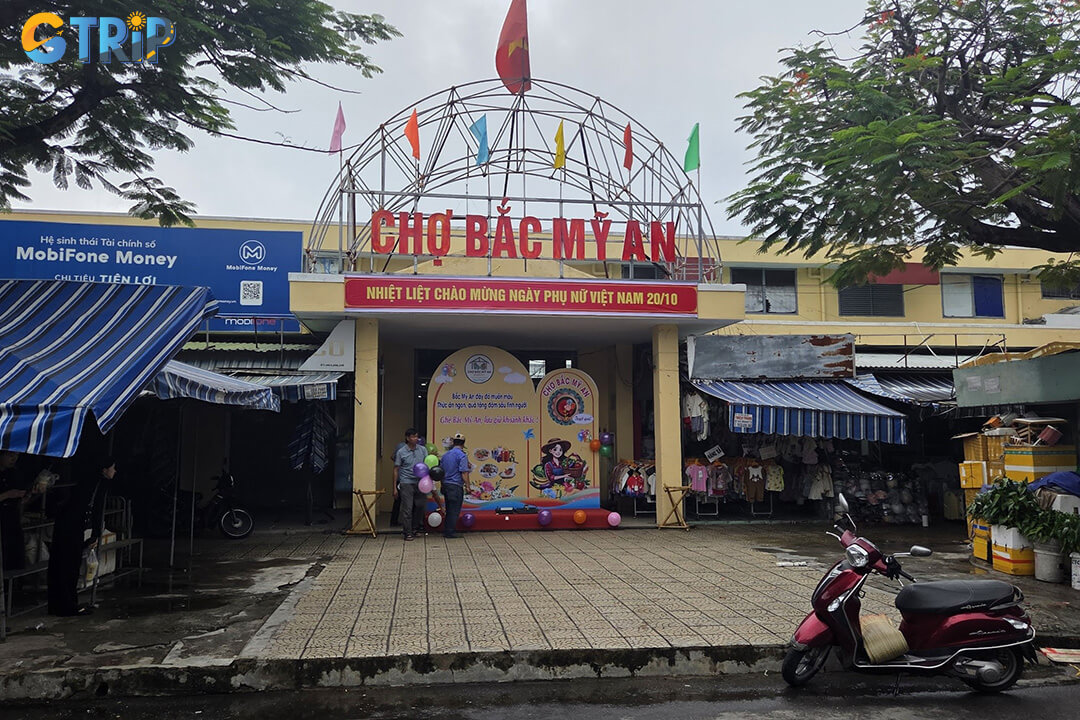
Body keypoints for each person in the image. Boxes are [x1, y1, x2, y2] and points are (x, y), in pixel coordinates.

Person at [47, 456, 113, 617]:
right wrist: (95, 533)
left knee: (66, 566)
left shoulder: (88, 482)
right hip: (73, 528)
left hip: (69, 526)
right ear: (104, 470)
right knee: (69, 566)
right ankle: (67, 605)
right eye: (112, 467)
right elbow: (95, 510)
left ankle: (64, 604)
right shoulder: (96, 484)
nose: (114, 471)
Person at [392, 429, 429, 541]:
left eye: (417, 436)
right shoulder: (401, 452)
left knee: (420, 506)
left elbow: (427, 465)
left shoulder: (422, 450)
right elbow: (396, 469)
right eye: (413, 437)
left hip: (420, 482)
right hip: (406, 482)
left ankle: (415, 528)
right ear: (407, 438)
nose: (416, 439)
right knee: (407, 508)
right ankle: (407, 532)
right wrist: (394, 487)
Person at [0, 450, 29, 572]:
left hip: (12, 517)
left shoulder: (14, 473)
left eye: (16, 455)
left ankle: (13, 586)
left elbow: (20, 498)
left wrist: (27, 496)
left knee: (13, 555)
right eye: (10, 455)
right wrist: (7, 495)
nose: (14, 458)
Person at [438, 433, 471, 539]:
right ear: (463, 444)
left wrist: (442, 484)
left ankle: (447, 530)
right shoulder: (462, 455)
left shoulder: (446, 455)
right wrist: (468, 486)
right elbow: (464, 473)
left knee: (449, 508)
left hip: (446, 485)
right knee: (454, 510)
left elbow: (441, 471)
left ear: (453, 443)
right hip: (456, 485)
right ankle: (450, 532)